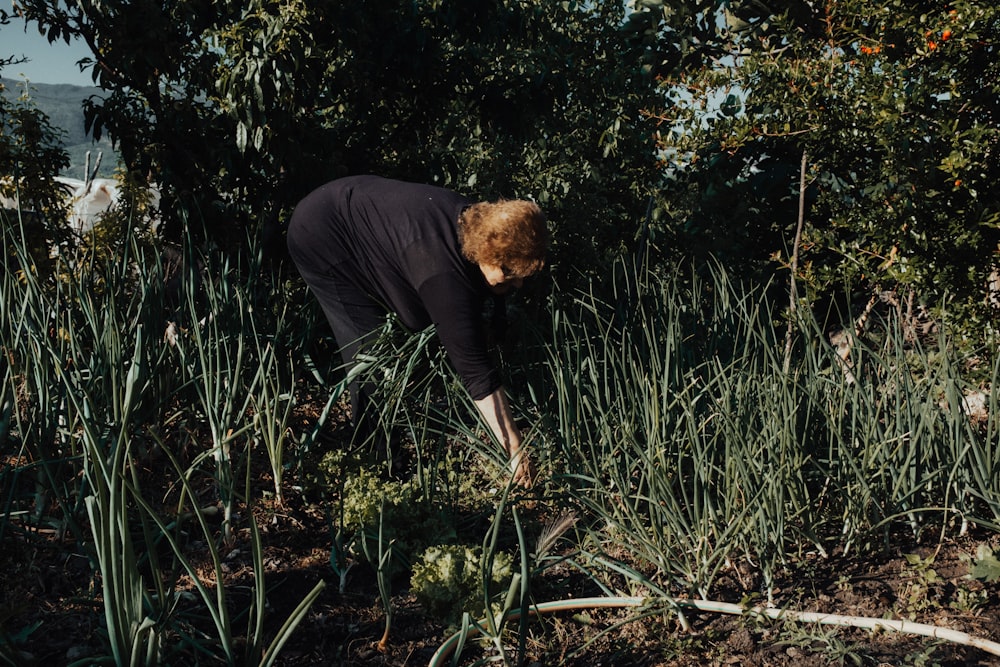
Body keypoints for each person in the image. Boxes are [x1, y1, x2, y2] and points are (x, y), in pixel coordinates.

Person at [286, 175, 548, 487]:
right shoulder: (442, 273)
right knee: (369, 352)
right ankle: (376, 468)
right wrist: (515, 450)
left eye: (522, 277)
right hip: (323, 233)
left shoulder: (475, 225)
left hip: (359, 211)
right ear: (487, 251)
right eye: (508, 273)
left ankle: (380, 458)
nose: (517, 284)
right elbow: (475, 371)